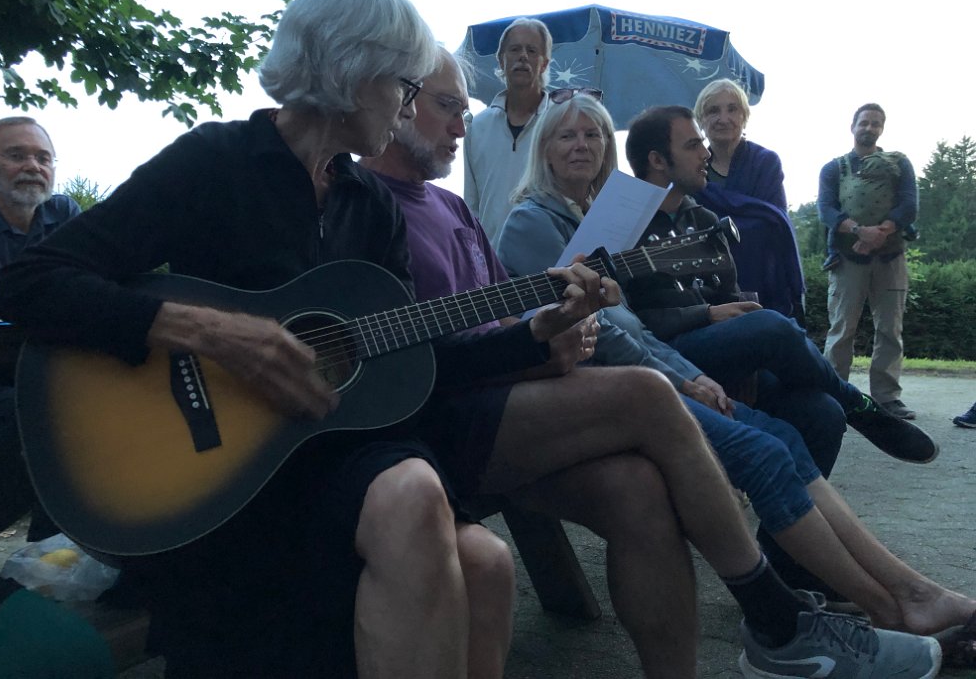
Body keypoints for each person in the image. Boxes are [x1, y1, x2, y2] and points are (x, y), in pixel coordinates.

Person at [0, 0, 530, 679]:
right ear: (354, 70)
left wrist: (534, 335)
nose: (407, 107)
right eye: (404, 86)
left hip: (333, 456)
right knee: (413, 493)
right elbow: (31, 283)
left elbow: (412, 357)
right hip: (218, 476)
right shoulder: (216, 163)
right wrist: (205, 332)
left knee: (487, 563)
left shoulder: (370, 205)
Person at [358, 50, 945, 679]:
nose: (463, 125)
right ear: (398, 99)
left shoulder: (455, 210)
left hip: (523, 391)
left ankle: (802, 622)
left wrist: (549, 332)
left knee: (641, 492)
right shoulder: (366, 206)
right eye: (449, 106)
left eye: (594, 135)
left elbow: (511, 318)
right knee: (656, 393)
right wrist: (570, 346)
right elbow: (414, 353)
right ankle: (778, 618)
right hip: (456, 416)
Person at [495, 92, 976, 648]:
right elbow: (596, 335)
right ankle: (892, 607)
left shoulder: (602, 221)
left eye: (594, 134)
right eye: (567, 135)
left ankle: (907, 592)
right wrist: (687, 377)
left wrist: (692, 374)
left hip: (650, 373)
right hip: (601, 392)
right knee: (764, 443)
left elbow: (637, 331)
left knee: (787, 433)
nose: (582, 145)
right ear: (545, 150)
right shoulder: (533, 222)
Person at [621, 105, 939, 467]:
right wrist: (706, 314)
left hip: (719, 351)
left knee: (824, 414)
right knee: (770, 325)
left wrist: (739, 327)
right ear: (657, 160)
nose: (706, 154)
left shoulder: (705, 219)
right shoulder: (620, 221)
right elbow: (621, 322)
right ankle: (859, 404)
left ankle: (804, 479)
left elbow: (729, 299)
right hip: (662, 356)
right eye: (693, 145)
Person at [0, 116, 79, 564]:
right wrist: (51, 296)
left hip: (46, 368)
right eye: (17, 155)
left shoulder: (65, 216)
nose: (33, 167)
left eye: (43, 158)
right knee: (46, 417)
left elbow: (96, 294)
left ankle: (51, 556)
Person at [818, 103, 919, 420]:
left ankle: (887, 398)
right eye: (864, 122)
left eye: (876, 123)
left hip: (891, 257)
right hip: (847, 259)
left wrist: (879, 233)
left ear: (882, 129)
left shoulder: (900, 165)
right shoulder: (833, 168)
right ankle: (835, 397)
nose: (869, 128)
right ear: (853, 126)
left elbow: (909, 206)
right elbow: (826, 210)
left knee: (890, 329)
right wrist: (860, 231)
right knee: (841, 329)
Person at [692, 78, 805, 321]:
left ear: (744, 116)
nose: (723, 118)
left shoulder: (765, 162)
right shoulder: (692, 167)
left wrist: (718, 231)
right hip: (706, 277)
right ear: (701, 120)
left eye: (732, 109)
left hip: (764, 270)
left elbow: (773, 221)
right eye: (713, 111)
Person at [463, 17, 552, 249]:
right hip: (490, 258)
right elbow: (471, 204)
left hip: (548, 256)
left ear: (544, 63)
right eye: (514, 49)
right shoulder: (477, 127)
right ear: (501, 60)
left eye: (532, 50)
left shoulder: (560, 124)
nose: (523, 56)